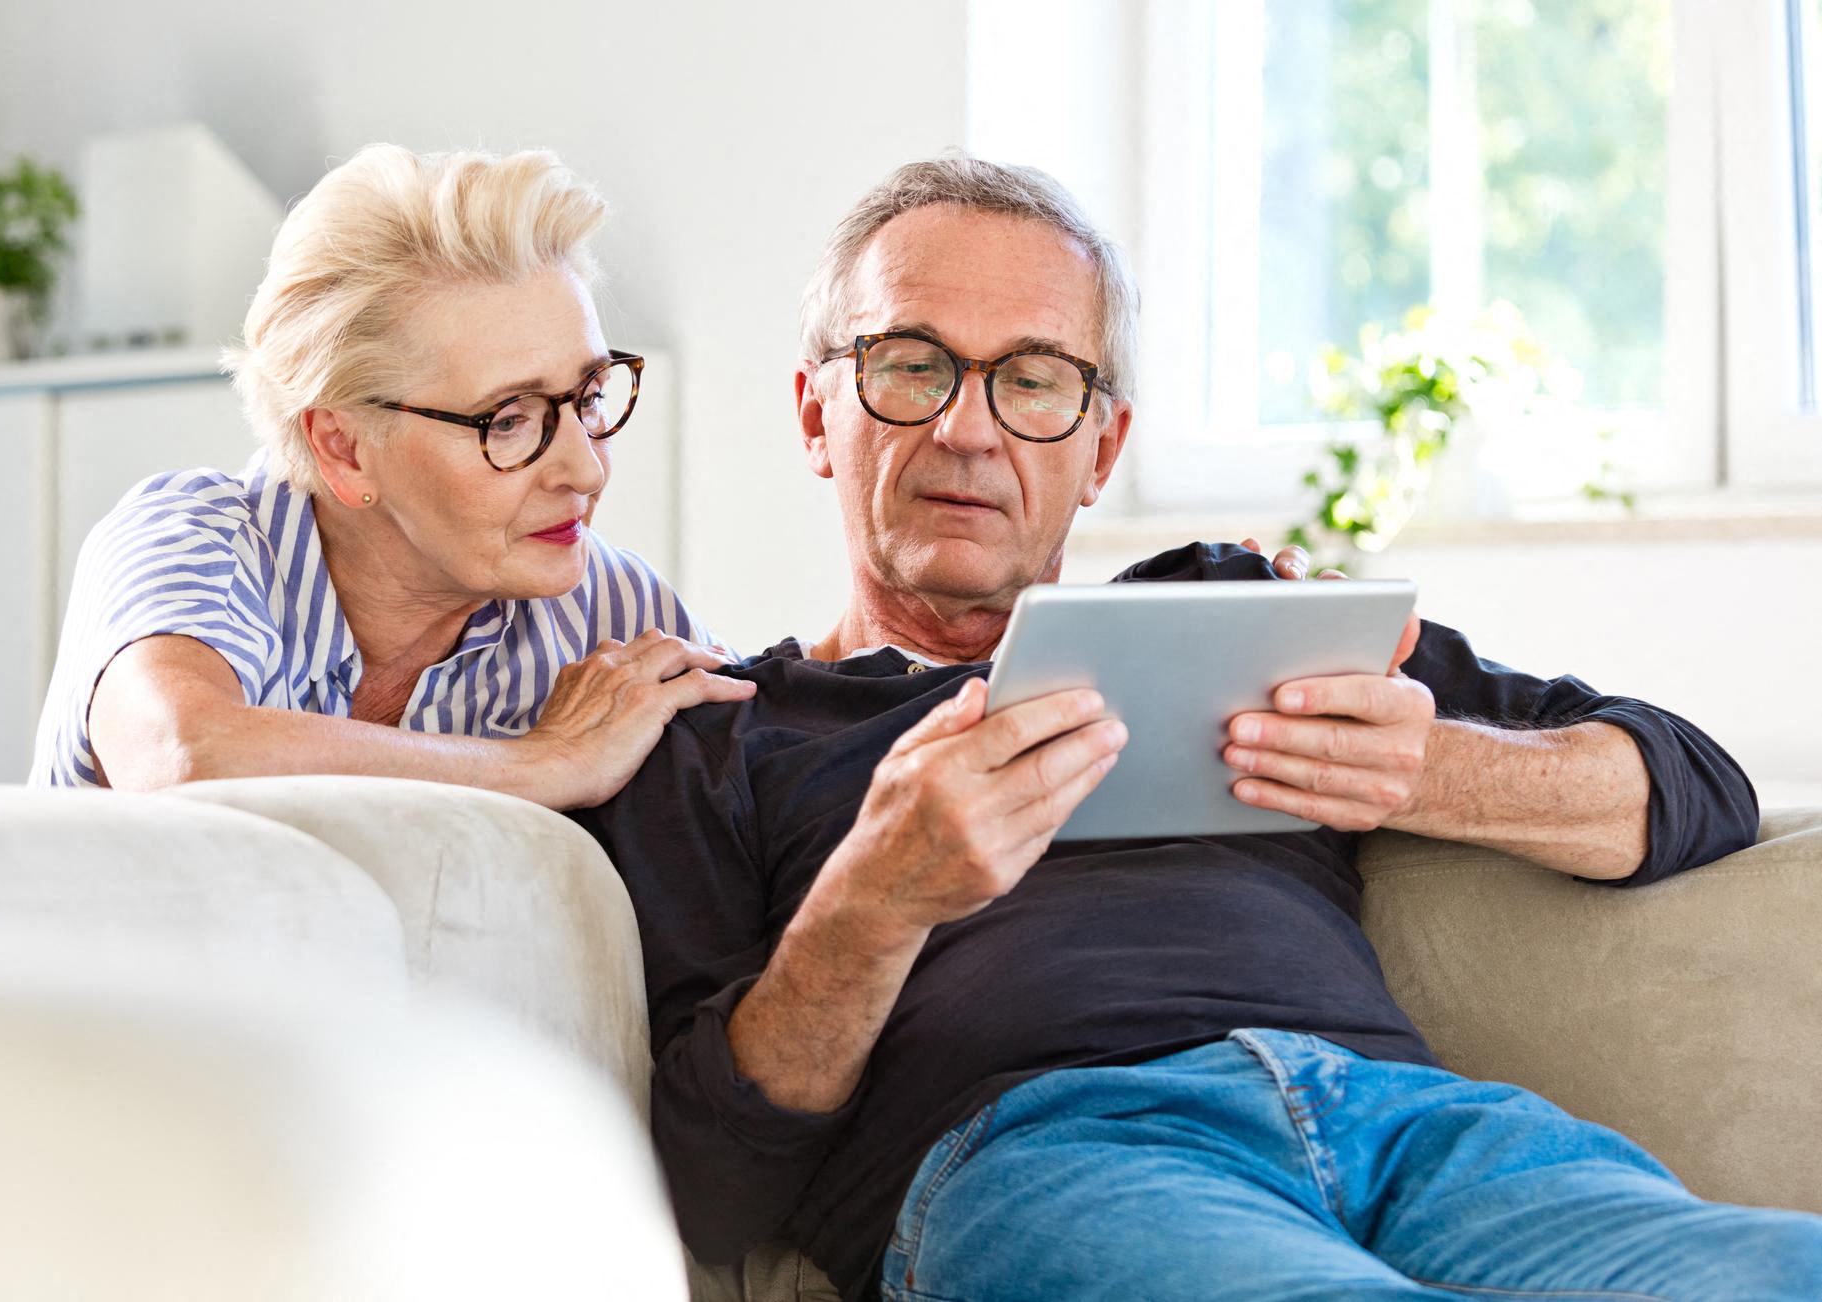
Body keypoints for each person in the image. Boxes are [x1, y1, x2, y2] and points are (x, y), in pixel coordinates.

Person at [574, 156, 1822, 1300]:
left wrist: (1426, 768)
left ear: (1101, 444)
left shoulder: (1236, 608)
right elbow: (715, 1186)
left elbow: (1698, 789)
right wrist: (875, 901)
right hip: (1054, 1159)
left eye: (1034, 380)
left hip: (1409, 1126)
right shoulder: (715, 734)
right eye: (911, 363)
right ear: (814, 413)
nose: (968, 428)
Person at [28, 145, 754, 805]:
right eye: (507, 420)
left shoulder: (615, 612)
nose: (585, 468)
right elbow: (185, 756)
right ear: (344, 448)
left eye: (590, 398)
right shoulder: (192, 540)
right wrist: (542, 765)